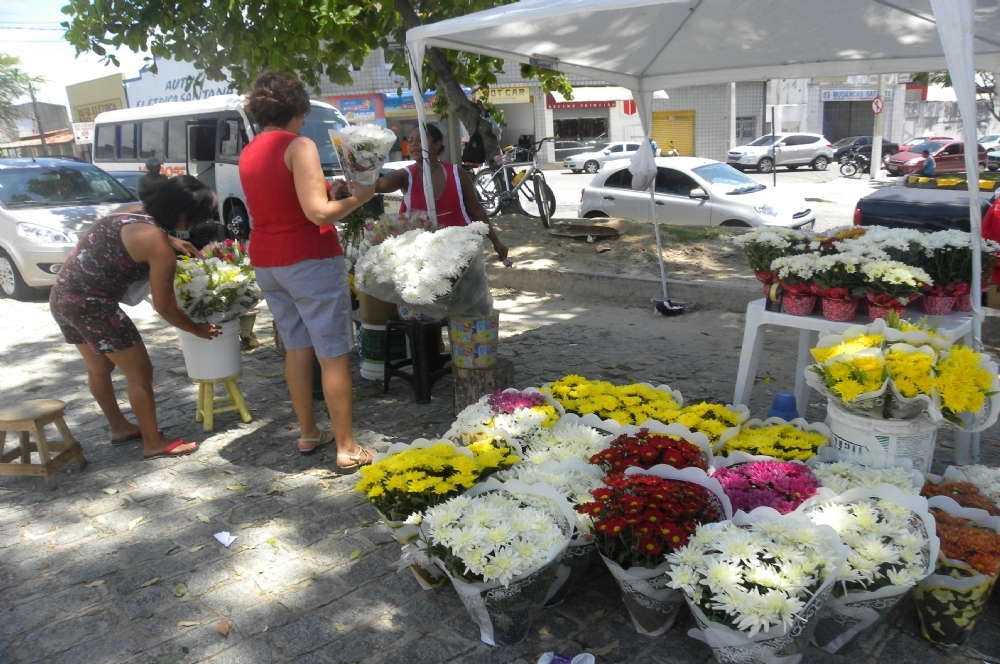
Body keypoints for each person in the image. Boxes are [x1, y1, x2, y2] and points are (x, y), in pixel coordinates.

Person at [240, 70, 375, 471]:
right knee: (332, 353)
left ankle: (308, 431)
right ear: (297, 108)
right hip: (308, 258)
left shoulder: (250, 150)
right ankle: (347, 447)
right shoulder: (298, 144)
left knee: (296, 348)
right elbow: (317, 213)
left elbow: (282, 199)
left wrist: (331, 194)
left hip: (268, 260)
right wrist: (361, 196)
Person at [49, 176, 222, 460]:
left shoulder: (129, 211)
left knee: (99, 369)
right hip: (95, 307)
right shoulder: (158, 247)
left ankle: (119, 427)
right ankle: (153, 442)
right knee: (140, 373)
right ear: (183, 214)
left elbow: (140, 234)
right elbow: (166, 307)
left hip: (62, 297)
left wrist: (171, 239)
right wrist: (197, 329)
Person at [374, 124, 509, 262]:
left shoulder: (457, 174)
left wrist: (496, 242)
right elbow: (379, 185)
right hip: (419, 255)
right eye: (410, 140)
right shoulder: (405, 175)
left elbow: (476, 209)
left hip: (461, 249)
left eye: (420, 140)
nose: (413, 144)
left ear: (437, 144)